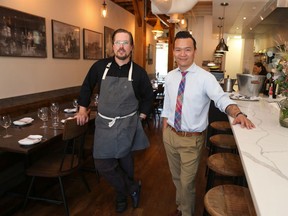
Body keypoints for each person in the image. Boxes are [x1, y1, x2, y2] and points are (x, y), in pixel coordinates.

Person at [161, 31, 255, 216]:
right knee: (176, 177)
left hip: (191, 140)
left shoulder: (206, 78)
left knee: (187, 183)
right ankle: (181, 206)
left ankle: (186, 213)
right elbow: (167, 104)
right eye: (178, 50)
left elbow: (221, 99)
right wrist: (165, 127)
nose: (182, 54)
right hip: (170, 135)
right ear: (173, 51)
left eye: (187, 49)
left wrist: (238, 112)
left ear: (194, 51)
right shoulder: (170, 77)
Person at [76, 28, 154, 213]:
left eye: (125, 43)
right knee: (102, 163)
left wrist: (141, 116)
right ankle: (132, 188)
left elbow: (148, 96)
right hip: (104, 124)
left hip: (127, 124)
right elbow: (87, 86)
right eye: (118, 43)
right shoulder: (99, 67)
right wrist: (82, 108)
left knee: (125, 162)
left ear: (131, 47)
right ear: (112, 46)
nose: (121, 47)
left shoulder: (139, 73)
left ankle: (121, 196)